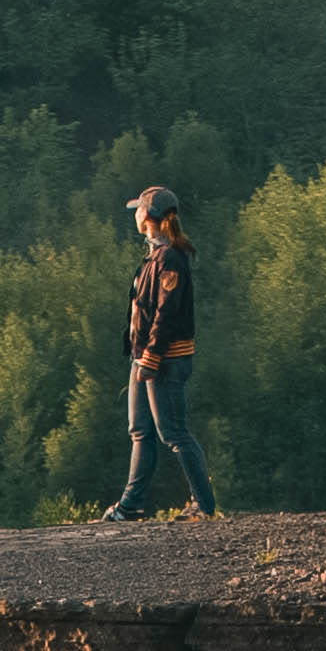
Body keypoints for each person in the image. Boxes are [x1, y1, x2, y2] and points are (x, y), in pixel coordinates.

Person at [102, 184, 219, 520]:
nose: (135, 214)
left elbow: (165, 315)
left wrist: (151, 358)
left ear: (148, 217)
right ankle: (131, 505)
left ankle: (204, 505)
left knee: (174, 433)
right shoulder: (157, 256)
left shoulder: (170, 259)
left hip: (164, 359)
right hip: (145, 357)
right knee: (140, 430)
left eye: (139, 209)